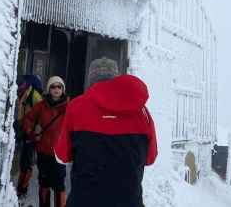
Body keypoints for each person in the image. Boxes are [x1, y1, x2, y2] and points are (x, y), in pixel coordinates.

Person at [55, 57, 158, 207]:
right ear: (115, 78)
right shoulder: (142, 112)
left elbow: (61, 156)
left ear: (91, 79)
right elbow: (150, 158)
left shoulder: (76, 107)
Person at [22, 76, 69, 207]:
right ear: (49, 89)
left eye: (59, 86)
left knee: (59, 185)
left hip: (59, 154)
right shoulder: (41, 106)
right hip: (43, 151)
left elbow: (76, 126)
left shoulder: (69, 107)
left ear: (63, 89)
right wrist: (32, 130)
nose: (56, 89)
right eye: (53, 86)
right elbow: (28, 120)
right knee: (44, 183)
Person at [15, 75, 43, 198]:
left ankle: (22, 190)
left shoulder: (34, 96)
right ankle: (20, 188)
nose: (19, 87)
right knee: (23, 162)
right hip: (24, 131)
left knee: (27, 163)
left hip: (31, 134)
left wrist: (32, 131)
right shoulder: (23, 94)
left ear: (26, 84)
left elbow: (40, 116)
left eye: (21, 85)